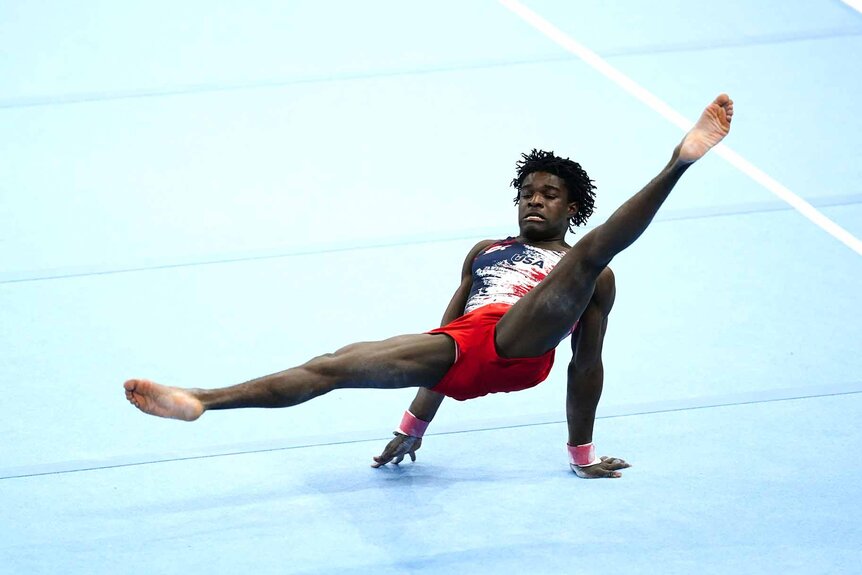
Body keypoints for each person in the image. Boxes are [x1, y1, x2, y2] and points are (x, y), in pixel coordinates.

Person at [124, 94, 734, 479]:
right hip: (470, 345)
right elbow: (444, 343)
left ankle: (678, 162)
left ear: (573, 207)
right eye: (527, 194)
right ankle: (204, 399)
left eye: (549, 195)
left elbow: (586, 367)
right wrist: (411, 428)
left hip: (524, 346)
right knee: (332, 364)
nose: (534, 203)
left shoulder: (591, 277)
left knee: (589, 261)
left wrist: (582, 453)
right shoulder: (485, 252)